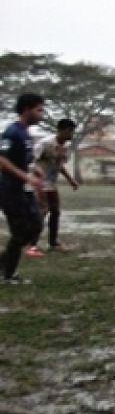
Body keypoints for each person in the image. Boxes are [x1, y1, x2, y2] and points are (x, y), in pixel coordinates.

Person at [0, 94, 46, 284]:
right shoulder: (12, 132)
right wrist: (26, 176)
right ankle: (8, 275)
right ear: (27, 109)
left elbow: (23, 160)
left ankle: (3, 265)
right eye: (39, 110)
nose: (42, 114)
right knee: (20, 233)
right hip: (9, 189)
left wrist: (34, 170)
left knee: (36, 223)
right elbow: (2, 160)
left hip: (23, 190)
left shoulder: (25, 133)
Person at [27, 118, 80, 255]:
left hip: (51, 183)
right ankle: (31, 244)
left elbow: (59, 165)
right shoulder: (45, 143)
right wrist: (37, 174)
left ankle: (53, 243)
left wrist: (70, 179)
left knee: (55, 211)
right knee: (42, 212)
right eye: (70, 131)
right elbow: (31, 160)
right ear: (61, 130)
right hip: (39, 183)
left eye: (72, 131)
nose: (71, 134)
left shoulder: (66, 147)